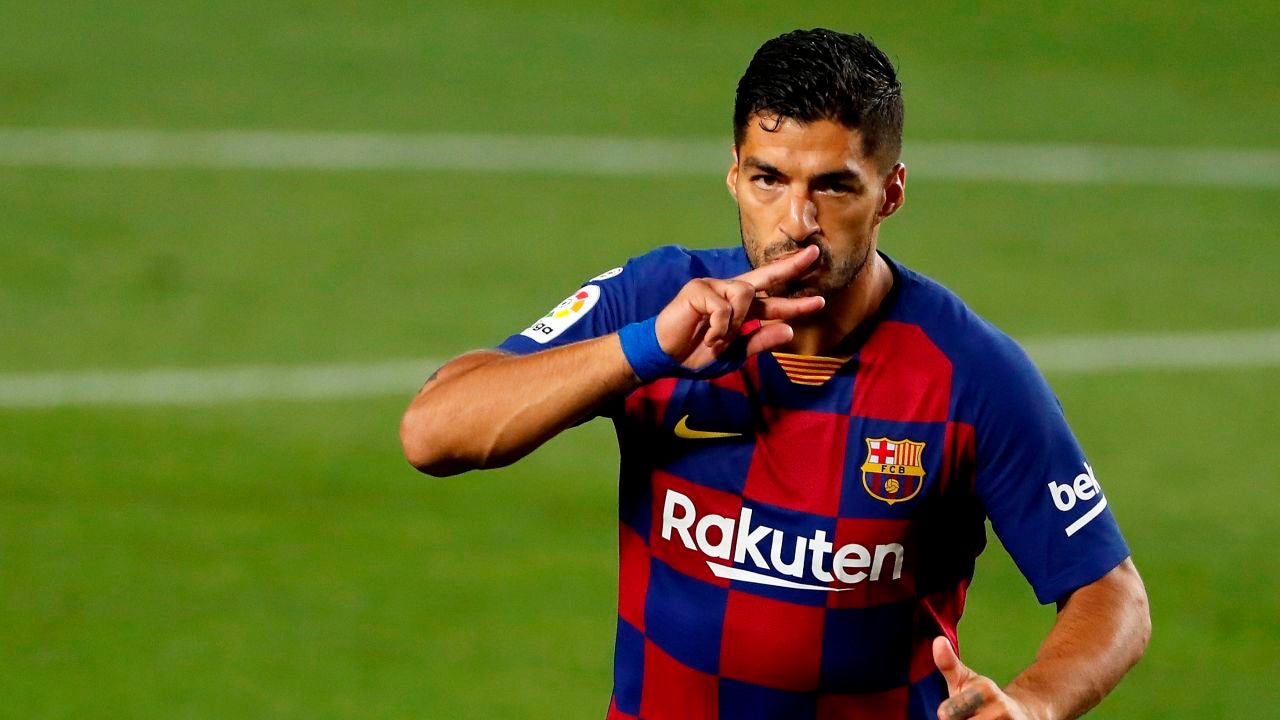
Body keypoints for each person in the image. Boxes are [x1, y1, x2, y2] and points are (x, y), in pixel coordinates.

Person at [400, 28, 1150, 720]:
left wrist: (1033, 706)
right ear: (733, 175)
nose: (796, 221)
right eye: (769, 179)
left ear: (889, 192)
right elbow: (433, 432)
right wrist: (644, 350)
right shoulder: (659, 301)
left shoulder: (970, 374)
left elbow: (1111, 594)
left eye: (833, 186)